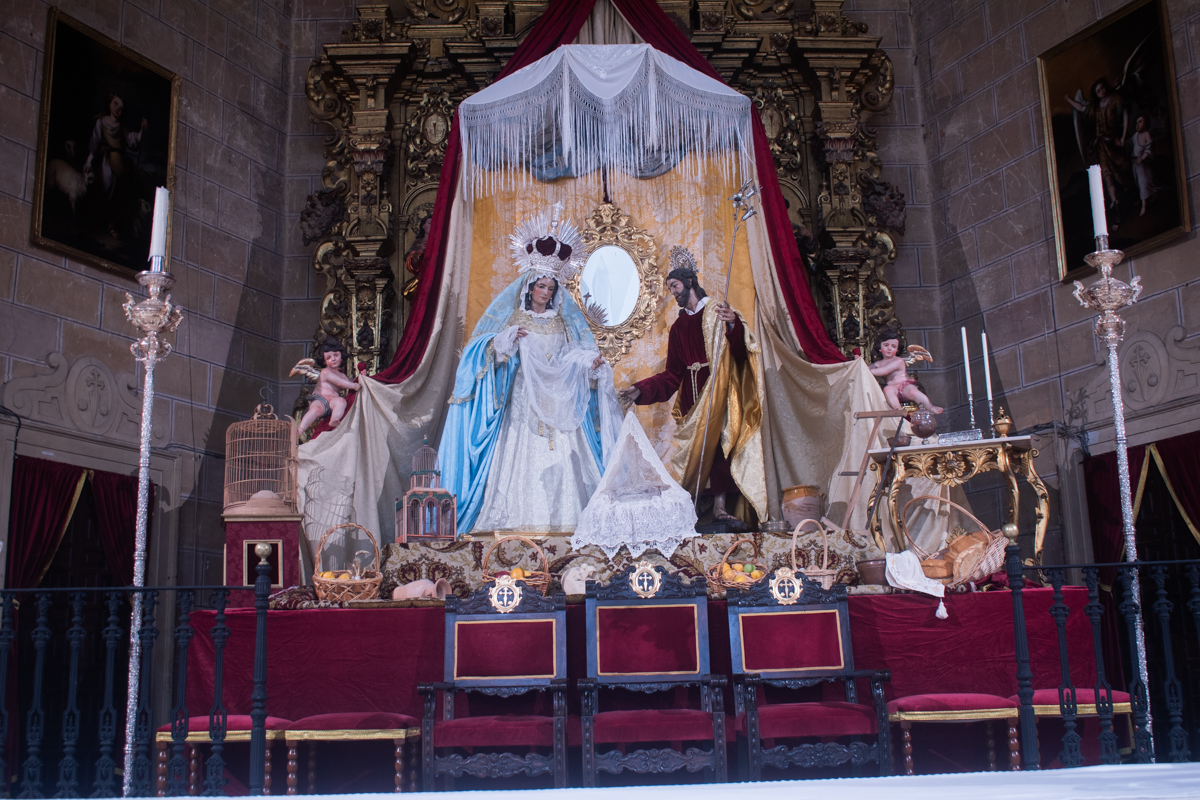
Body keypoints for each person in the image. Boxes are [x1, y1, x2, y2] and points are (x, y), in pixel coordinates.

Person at [439, 208, 622, 534]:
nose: (546, 293)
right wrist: (504, 342)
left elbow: (569, 355)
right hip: (523, 399)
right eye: (541, 286)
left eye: (550, 288)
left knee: (567, 456)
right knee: (519, 454)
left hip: (558, 399)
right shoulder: (513, 320)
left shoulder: (562, 321)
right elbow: (485, 351)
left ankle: (568, 522)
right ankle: (514, 521)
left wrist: (589, 363)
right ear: (529, 287)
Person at [617, 246, 766, 530]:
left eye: (675, 286)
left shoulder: (717, 311)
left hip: (718, 391)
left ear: (689, 282)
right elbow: (673, 374)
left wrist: (733, 326)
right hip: (691, 400)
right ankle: (696, 510)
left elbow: (740, 353)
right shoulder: (678, 328)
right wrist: (640, 390)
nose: (673, 292)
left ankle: (720, 507)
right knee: (695, 455)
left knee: (720, 448)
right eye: (670, 288)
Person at [1064, 78, 1130, 217]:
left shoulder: (1115, 99)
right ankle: (1116, 204)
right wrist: (1069, 99)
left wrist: (1123, 137)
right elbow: (1081, 108)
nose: (1102, 92)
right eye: (1098, 91)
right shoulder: (1095, 107)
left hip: (1114, 142)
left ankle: (1129, 192)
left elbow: (1125, 114)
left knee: (1123, 169)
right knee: (1107, 176)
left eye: (1102, 88)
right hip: (1102, 147)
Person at [866, 329, 942, 414]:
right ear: (880, 347)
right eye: (886, 345)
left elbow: (884, 371)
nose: (889, 348)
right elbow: (866, 367)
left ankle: (930, 406)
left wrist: (868, 371)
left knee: (912, 392)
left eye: (893, 346)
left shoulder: (898, 361)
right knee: (887, 389)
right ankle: (897, 408)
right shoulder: (879, 363)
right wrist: (859, 362)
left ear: (897, 350)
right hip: (893, 388)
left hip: (904, 385)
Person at [294, 341, 361, 434]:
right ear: (324, 361)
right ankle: (300, 429)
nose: (333, 359)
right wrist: (354, 386)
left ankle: (334, 419)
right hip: (320, 399)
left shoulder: (342, 375)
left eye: (336, 355)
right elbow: (340, 383)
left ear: (341, 357)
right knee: (316, 409)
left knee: (341, 401)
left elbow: (349, 381)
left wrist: (360, 379)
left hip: (332, 403)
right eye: (328, 358)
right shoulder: (326, 372)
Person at [1131, 114, 1160, 216]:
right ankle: (1148, 196)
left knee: (1143, 184)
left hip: (1142, 165)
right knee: (1139, 184)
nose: (1137, 124)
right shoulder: (1135, 135)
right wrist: (1121, 143)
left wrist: (1142, 158)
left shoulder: (1147, 134)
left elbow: (1149, 149)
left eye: (1140, 121)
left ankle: (1144, 206)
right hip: (1135, 164)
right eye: (1136, 122)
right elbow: (1129, 143)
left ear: (1145, 123)